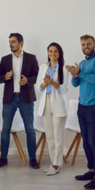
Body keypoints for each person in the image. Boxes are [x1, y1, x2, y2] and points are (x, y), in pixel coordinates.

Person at [66, 34, 95, 189]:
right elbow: (76, 83)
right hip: (82, 107)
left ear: (94, 45)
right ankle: (91, 171)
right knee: (86, 142)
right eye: (83, 44)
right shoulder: (83, 63)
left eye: (88, 44)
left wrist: (80, 72)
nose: (86, 46)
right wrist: (74, 74)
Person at [0, 33, 40, 169]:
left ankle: (32, 158)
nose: (11, 44)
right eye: (9, 42)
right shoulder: (5, 59)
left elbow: (37, 76)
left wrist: (28, 81)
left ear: (21, 43)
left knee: (30, 130)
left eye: (13, 42)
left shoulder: (31, 58)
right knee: (5, 130)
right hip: (10, 98)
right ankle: (3, 158)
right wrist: (5, 77)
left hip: (26, 98)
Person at [36, 42, 69, 175]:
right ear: (47, 53)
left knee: (58, 136)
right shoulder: (43, 67)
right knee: (49, 136)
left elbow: (64, 89)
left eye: (55, 51)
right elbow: (39, 87)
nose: (52, 54)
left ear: (59, 53)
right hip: (46, 103)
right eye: (50, 51)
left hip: (58, 104)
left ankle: (56, 165)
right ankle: (53, 163)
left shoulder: (64, 69)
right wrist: (45, 83)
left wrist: (52, 83)